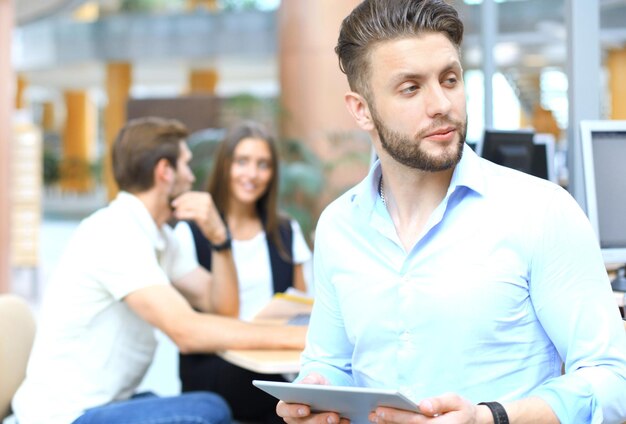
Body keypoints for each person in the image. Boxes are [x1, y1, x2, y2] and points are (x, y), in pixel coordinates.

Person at [277, 1, 626, 423]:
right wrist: (315, 392)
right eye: (411, 88)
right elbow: (331, 363)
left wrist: (489, 418)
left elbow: (612, 380)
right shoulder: (339, 225)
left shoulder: (541, 212)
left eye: (450, 79)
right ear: (361, 110)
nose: (441, 103)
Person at [11, 116, 306, 424]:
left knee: (207, 408)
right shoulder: (114, 232)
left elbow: (222, 308)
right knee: (209, 410)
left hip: (109, 404)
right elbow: (186, 332)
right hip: (64, 416)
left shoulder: (159, 237)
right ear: (165, 171)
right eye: (186, 166)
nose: (192, 178)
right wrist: (299, 337)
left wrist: (220, 240)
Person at [175, 121, 312, 423]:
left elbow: (303, 308)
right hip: (216, 369)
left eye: (263, 165)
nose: (252, 174)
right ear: (225, 166)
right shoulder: (190, 233)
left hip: (276, 368)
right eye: (242, 162)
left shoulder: (286, 231)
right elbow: (213, 318)